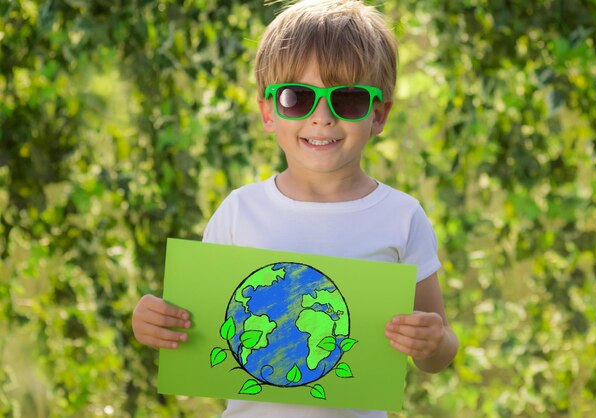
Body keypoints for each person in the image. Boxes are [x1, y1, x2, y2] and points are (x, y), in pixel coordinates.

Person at [132, 0, 458, 416]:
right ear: (269, 111)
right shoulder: (239, 211)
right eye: (296, 98)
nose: (322, 117)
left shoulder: (401, 216)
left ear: (379, 115)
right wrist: (152, 322)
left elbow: (439, 350)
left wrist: (432, 344)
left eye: (350, 100)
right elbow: (195, 326)